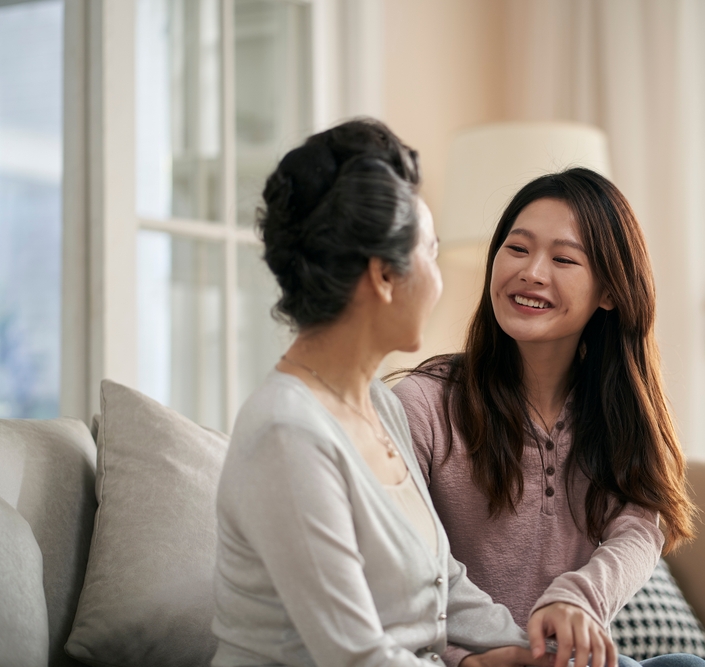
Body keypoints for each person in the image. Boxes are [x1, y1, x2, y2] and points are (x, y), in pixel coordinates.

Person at [211, 119, 551, 667]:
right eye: (431, 254)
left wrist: (528, 652)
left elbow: (445, 582)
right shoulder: (286, 434)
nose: (439, 281)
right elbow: (356, 657)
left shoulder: (380, 406)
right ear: (384, 277)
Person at [391, 168, 705, 667]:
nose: (532, 272)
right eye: (517, 249)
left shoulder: (614, 414)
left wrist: (579, 596)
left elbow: (641, 526)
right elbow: (398, 576)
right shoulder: (422, 405)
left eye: (563, 259)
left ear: (609, 292)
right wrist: (467, 659)